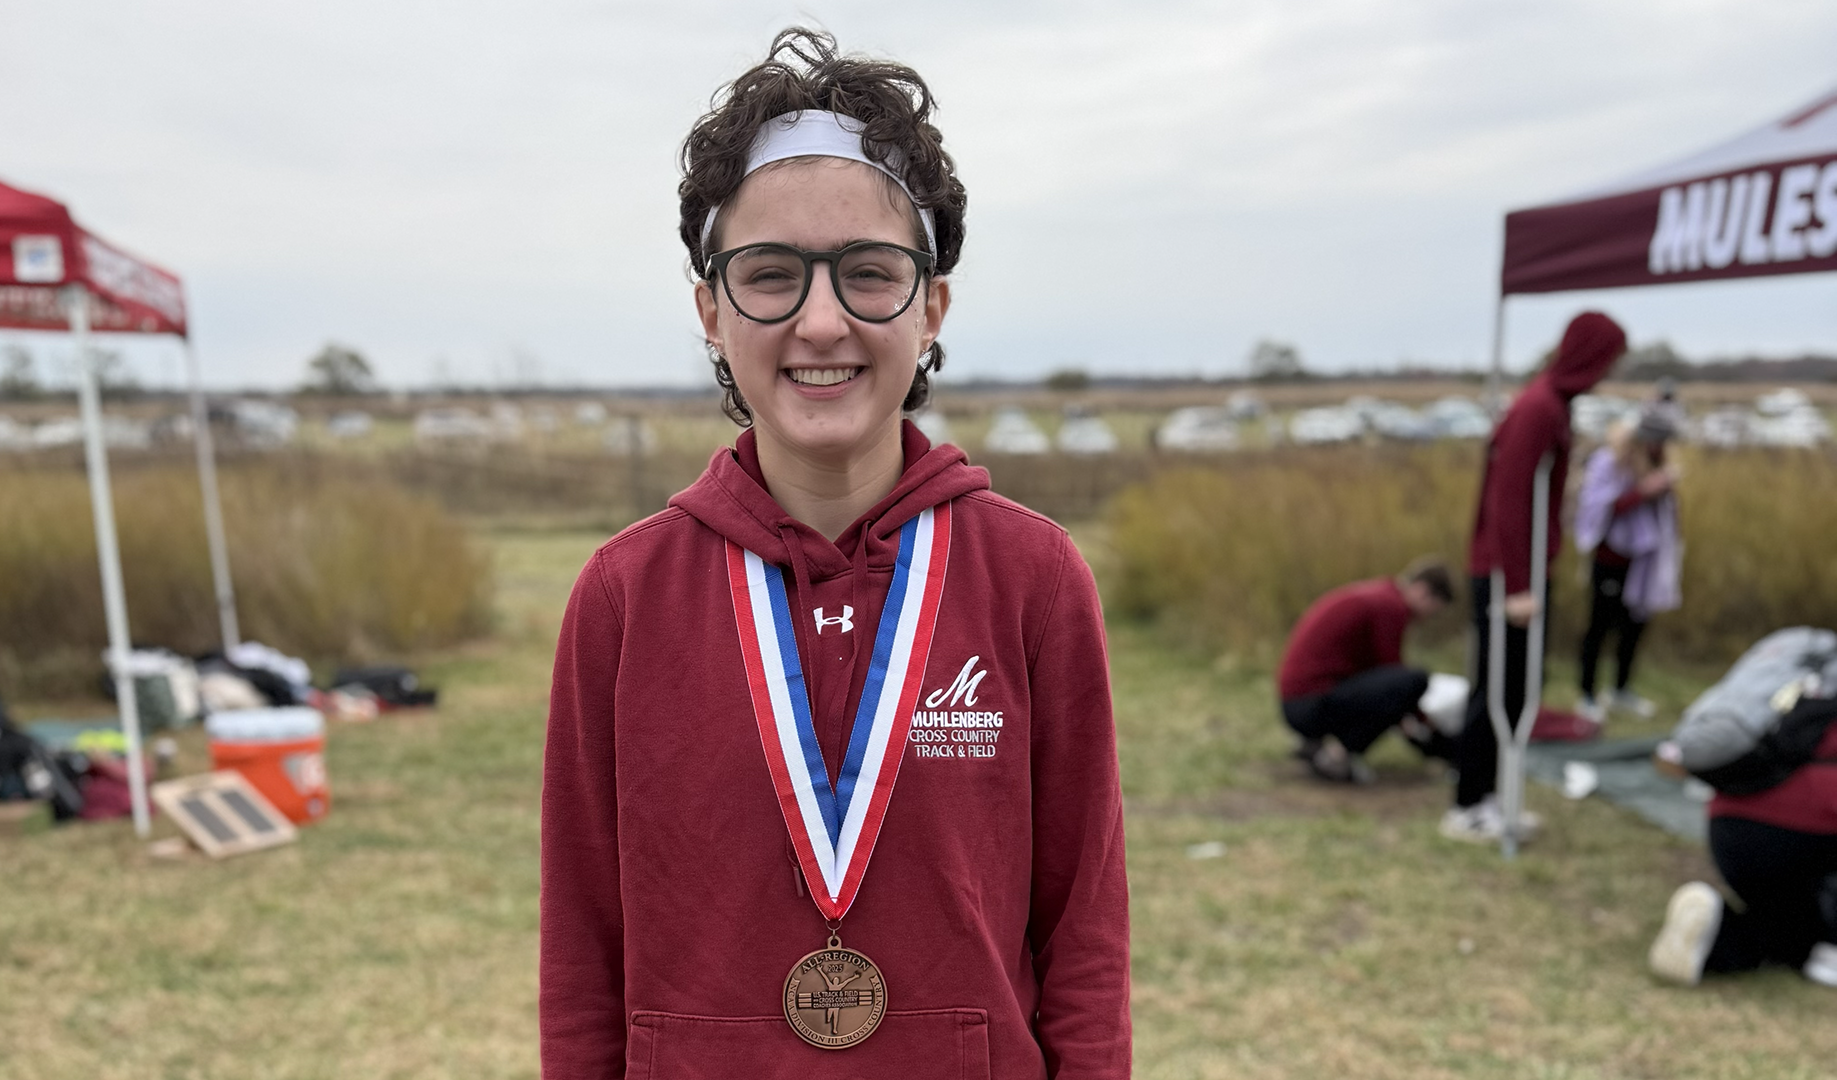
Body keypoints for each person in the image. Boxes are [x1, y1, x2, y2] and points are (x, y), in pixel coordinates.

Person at [539, 29, 1130, 1078]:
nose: (822, 322)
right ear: (712, 310)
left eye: (868, 273)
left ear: (931, 305)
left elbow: (1082, 939)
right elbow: (584, 952)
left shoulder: (1035, 580)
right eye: (771, 276)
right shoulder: (623, 597)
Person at [1442, 312, 1628, 844]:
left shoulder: (1554, 404)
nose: (1607, 372)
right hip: (1506, 576)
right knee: (1500, 689)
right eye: (1607, 360)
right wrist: (1520, 583)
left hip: (1522, 571)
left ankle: (1495, 796)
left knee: (1520, 687)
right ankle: (1467, 804)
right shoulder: (1538, 407)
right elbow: (1509, 498)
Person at [1647, 730, 1837, 988]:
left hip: (1730, 819)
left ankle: (1716, 929)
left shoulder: (1803, 694)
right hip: (1810, 822)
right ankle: (1828, 945)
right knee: (1798, 927)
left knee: (1784, 927)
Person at [1276, 558, 1456, 784]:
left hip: (1298, 700)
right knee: (1414, 680)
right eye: (1433, 612)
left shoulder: (1380, 596)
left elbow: (1376, 675)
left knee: (1400, 687)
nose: (1426, 620)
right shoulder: (1391, 607)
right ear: (1422, 591)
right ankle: (1336, 756)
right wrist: (1428, 729)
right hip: (1310, 702)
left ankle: (1317, 745)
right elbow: (1394, 678)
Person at [1573, 409, 1682, 723]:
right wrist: (1643, 492)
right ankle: (1587, 694)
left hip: (1643, 563)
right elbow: (1598, 510)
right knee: (1599, 627)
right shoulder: (1609, 463)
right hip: (1610, 560)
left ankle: (1620, 690)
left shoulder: (1656, 465)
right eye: (1656, 441)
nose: (1660, 447)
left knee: (1633, 627)